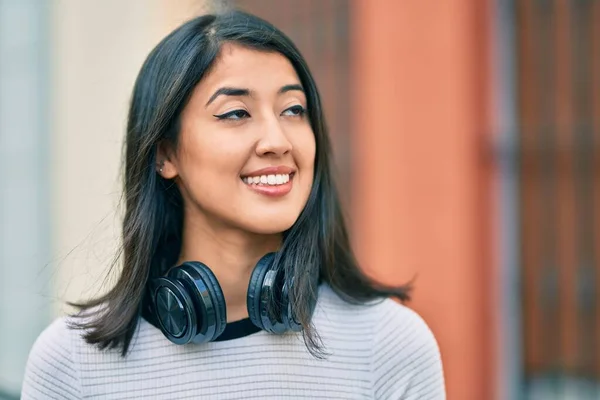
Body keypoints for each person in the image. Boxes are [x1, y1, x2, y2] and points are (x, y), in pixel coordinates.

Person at [21, 9, 445, 400]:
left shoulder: (387, 346)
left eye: (293, 110)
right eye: (236, 113)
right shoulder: (73, 363)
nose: (278, 141)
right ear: (165, 154)